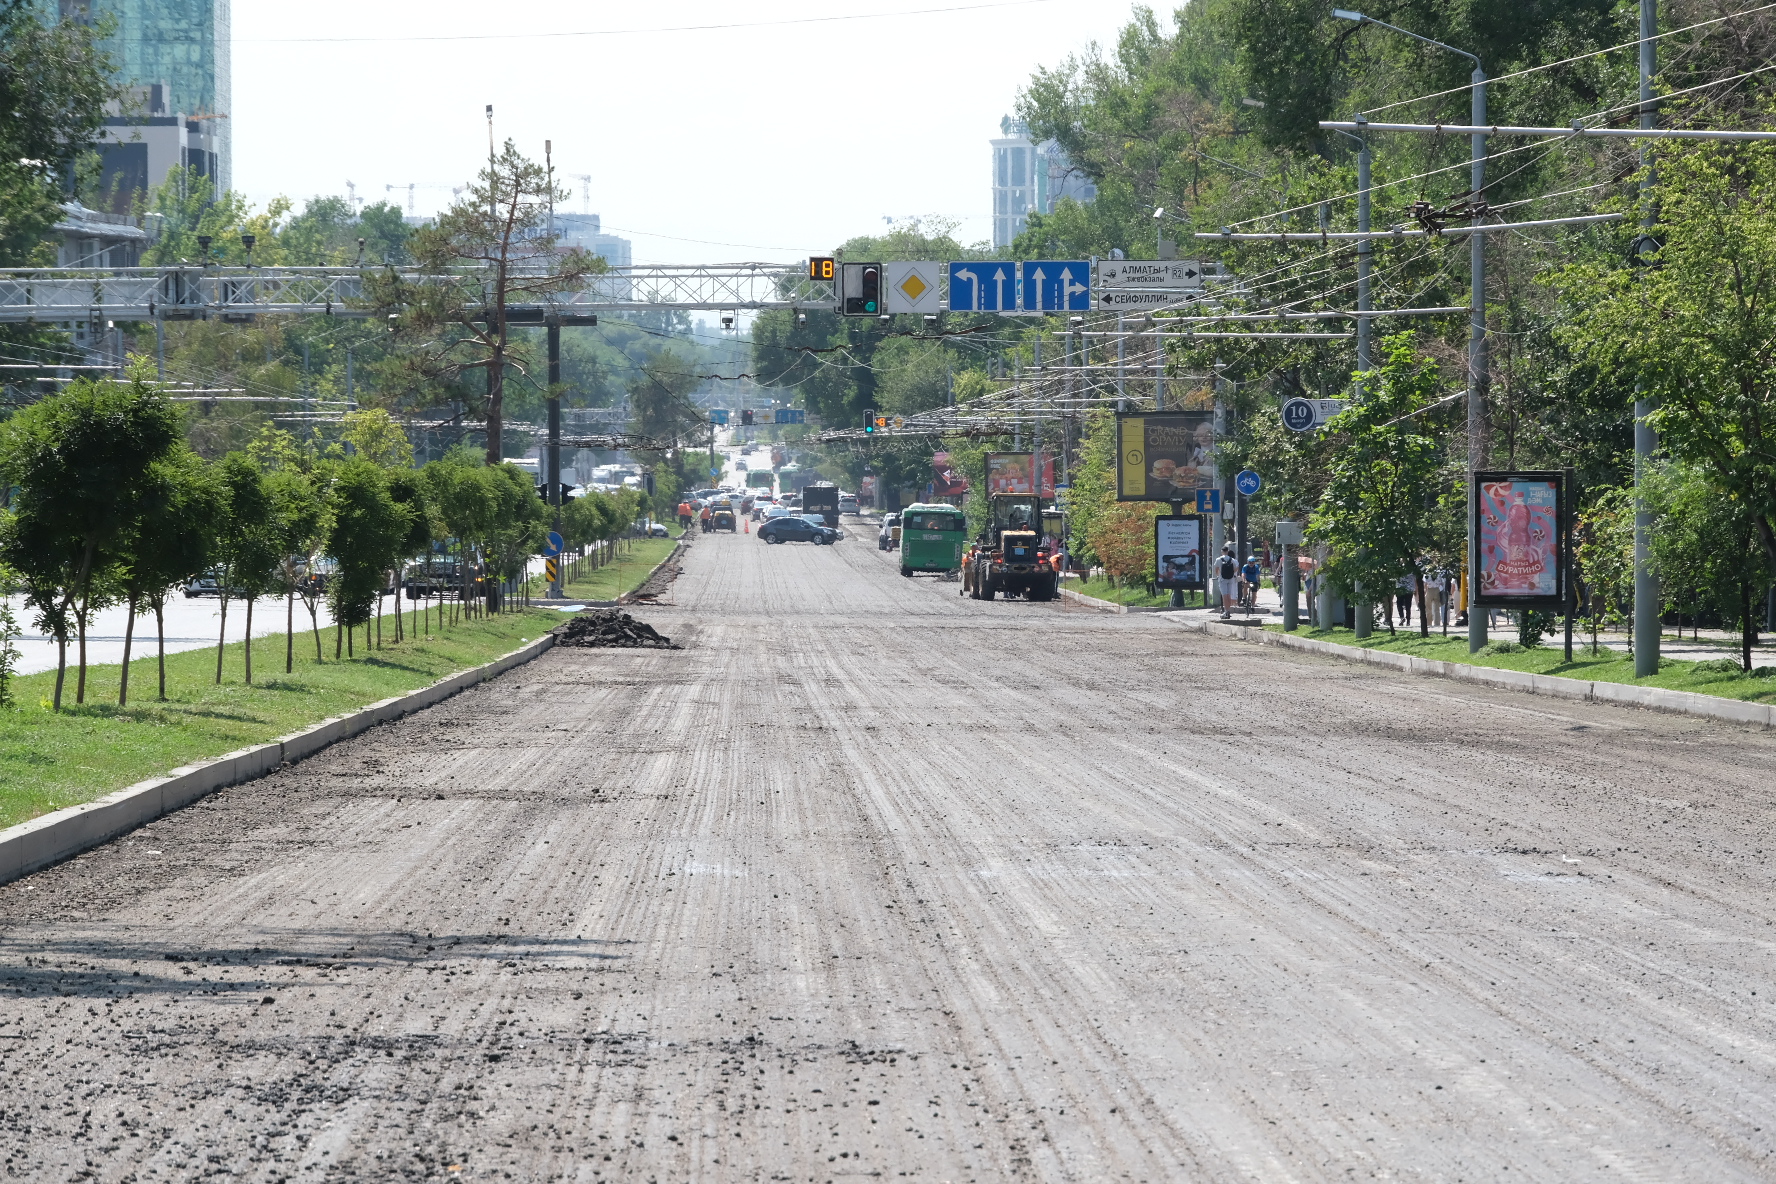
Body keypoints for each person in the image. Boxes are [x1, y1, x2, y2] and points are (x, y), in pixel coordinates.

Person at [1216, 543, 1240, 619]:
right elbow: (1237, 568)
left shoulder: (1219, 559)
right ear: (1228, 551)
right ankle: (1228, 610)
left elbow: (1216, 569)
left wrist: (1218, 575)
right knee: (1229, 595)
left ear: (1222, 551)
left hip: (1222, 579)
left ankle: (1226, 611)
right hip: (1231, 579)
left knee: (1224, 595)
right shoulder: (1232, 560)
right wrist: (1232, 573)